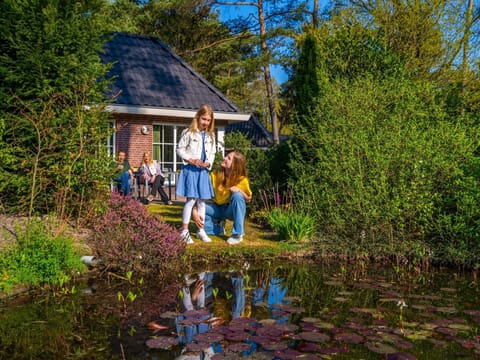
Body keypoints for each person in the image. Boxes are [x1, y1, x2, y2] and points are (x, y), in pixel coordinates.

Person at [176, 105, 216, 244]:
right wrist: (190, 159)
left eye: (208, 120)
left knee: (202, 201)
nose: (205, 122)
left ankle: (200, 231)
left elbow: (212, 153)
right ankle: (184, 231)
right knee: (191, 200)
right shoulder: (188, 132)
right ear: (198, 117)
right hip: (191, 170)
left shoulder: (211, 135)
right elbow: (179, 149)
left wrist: (208, 163)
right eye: (203, 119)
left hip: (203, 171)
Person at [193, 151, 252, 245]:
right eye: (226, 156)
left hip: (230, 210)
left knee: (237, 196)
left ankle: (237, 235)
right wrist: (195, 210)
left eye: (229, 158)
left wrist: (239, 190)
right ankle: (218, 228)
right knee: (201, 211)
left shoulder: (241, 179)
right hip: (216, 208)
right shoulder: (214, 175)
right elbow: (201, 192)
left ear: (235, 165)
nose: (224, 158)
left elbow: (248, 198)